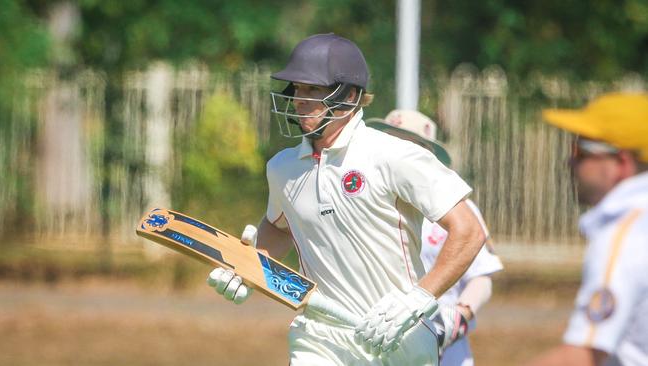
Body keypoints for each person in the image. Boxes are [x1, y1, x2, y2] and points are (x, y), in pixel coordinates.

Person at [207, 33, 486, 365]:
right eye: (297, 88)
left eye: (313, 89)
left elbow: (469, 230)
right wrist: (250, 266)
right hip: (320, 334)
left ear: (350, 96)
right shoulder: (282, 168)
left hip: (399, 333)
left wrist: (420, 298)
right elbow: (280, 227)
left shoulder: (392, 155)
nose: (299, 99)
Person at [366, 110, 504, 366]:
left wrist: (460, 316)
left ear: (425, 153)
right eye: (390, 140)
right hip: (375, 338)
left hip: (443, 343)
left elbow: (482, 277)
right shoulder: (365, 201)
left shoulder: (459, 211)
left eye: (406, 143)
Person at [526, 92, 648, 366]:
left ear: (621, 163)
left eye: (581, 152)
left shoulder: (624, 236)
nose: (569, 162)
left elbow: (582, 357)